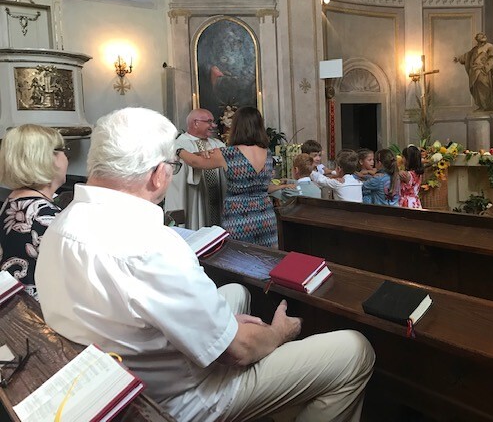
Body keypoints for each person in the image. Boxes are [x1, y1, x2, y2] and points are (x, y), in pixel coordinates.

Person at [35, 107, 375, 422]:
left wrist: (224, 325)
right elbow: (240, 350)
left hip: (117, 377)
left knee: (236, 291)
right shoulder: (152, 246)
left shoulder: (59, 225)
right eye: (172, 166)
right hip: (183, 399)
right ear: (157, 175)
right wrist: (278, 333)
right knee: (355, 350)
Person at [180, 106, 278, 247]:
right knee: (266, 256)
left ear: (237, 127)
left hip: (239, 216)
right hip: (265, 215)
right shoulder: (267, 152)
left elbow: (195, 162)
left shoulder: (228, 153)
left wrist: (178, 150)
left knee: (238, 257)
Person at [0, 124, 68, 300]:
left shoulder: (12, 201)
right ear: (49, 158)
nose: (66, 157)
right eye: (64, 150)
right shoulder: (44, 214)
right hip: (38, 311)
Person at [165, 108, 226, 229]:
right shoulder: (178, 145)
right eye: (209, 121)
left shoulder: (218, 144)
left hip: (218, 200)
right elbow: (176, 175)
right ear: (195, 123)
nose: (213, 125)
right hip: (194, 200)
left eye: (213, 121)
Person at [453, 32, 493, 111]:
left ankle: (487, 105)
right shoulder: (475, 49)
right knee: (476, 88)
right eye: (480, 40)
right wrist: (458, 58)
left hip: (484, 72)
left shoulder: (489, 47)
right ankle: (482, 105)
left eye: (483, 40)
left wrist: (485, 67)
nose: (482, 42)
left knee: (484, 87)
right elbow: (467, 56)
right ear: (478, 40)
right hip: (475, 72)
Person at [399, 145, 424, 209]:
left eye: (403, 157)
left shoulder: (407, 175)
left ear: (408, 159)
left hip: (407, 204)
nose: (402, 159)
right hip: (415, 202)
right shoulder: (418, 173)